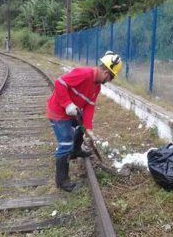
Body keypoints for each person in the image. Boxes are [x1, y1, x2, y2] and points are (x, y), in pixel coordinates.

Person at [46, 51, 123, 192]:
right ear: (106, 72)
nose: (110, 81)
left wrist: (88, 129)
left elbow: (89, 106)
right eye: (111, 78)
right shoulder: (84, 73)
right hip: (58, 112)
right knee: (65, 144)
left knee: (81, 127)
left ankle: (76, 150)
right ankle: (61, 181)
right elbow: (60, 82)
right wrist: (67, 103)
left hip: (72, 113)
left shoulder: (97, 87)